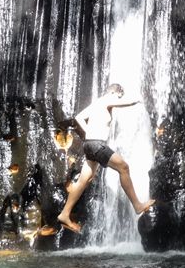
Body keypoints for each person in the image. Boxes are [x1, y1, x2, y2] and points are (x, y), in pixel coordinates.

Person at [57, 83, 156, 234]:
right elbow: (127, 102)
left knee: (84, 181)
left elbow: (78, 117)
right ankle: (137, 205)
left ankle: (65, 214)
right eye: (118, 96)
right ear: (115, 93)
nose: (118, 99)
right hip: (97, 144)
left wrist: (89, 132)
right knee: (124, 167)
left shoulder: (97, 102)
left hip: (89, 144)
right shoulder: (108, 99)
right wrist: (138, 99)